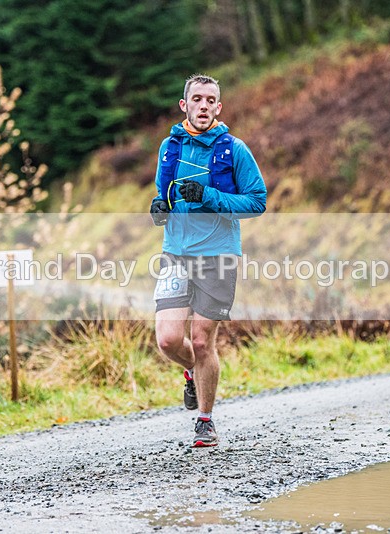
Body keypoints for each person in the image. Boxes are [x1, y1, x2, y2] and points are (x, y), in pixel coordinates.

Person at [150, 74, 267, 447]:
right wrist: (158, 209)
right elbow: (163, 196)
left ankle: (205, 420)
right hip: (176, 255)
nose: (203, 106)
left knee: (201, 342)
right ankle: (192, 375)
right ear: (184, 106)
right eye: (196, 99)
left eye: (210, 100)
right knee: (169, 340)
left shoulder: (235, 150)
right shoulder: (169, 148)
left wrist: (210, 196)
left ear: (219, 107)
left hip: (219, 256)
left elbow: (256, 201)